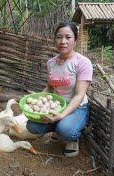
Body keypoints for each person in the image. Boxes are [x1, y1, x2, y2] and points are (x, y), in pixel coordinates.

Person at [26, 21, 93, 157]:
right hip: (56, 106)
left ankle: (72, 138)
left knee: (66, 129)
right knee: (32, 126)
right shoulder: (51, 63)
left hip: (77, 108)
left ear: (75, 39)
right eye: (59, 37)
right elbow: (50, 87)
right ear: (54, 39)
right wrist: (35, 103)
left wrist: (61, 115)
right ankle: (59, 128)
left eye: (68, 37)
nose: (63, 41)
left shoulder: (83, 63)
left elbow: (79, 95)